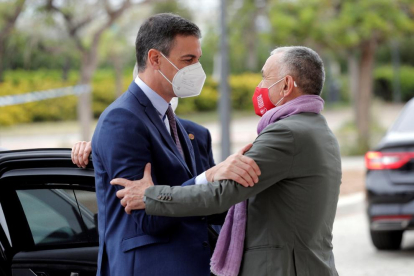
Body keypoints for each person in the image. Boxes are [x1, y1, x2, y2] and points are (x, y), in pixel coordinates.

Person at [111, 46, 342, 276]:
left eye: (264, 77)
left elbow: (222, 194)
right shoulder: (317, 130)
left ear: (286, 85)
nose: (259, 86)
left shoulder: (286, 134)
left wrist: (150, 196)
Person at [91, 13, 260, 276]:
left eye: (198, 59)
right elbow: (147, 216)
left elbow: (205, 206)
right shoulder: (122, 119)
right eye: (188, 60)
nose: (196, 69)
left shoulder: (174, 122)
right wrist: (210, 176)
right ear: (155, 59)